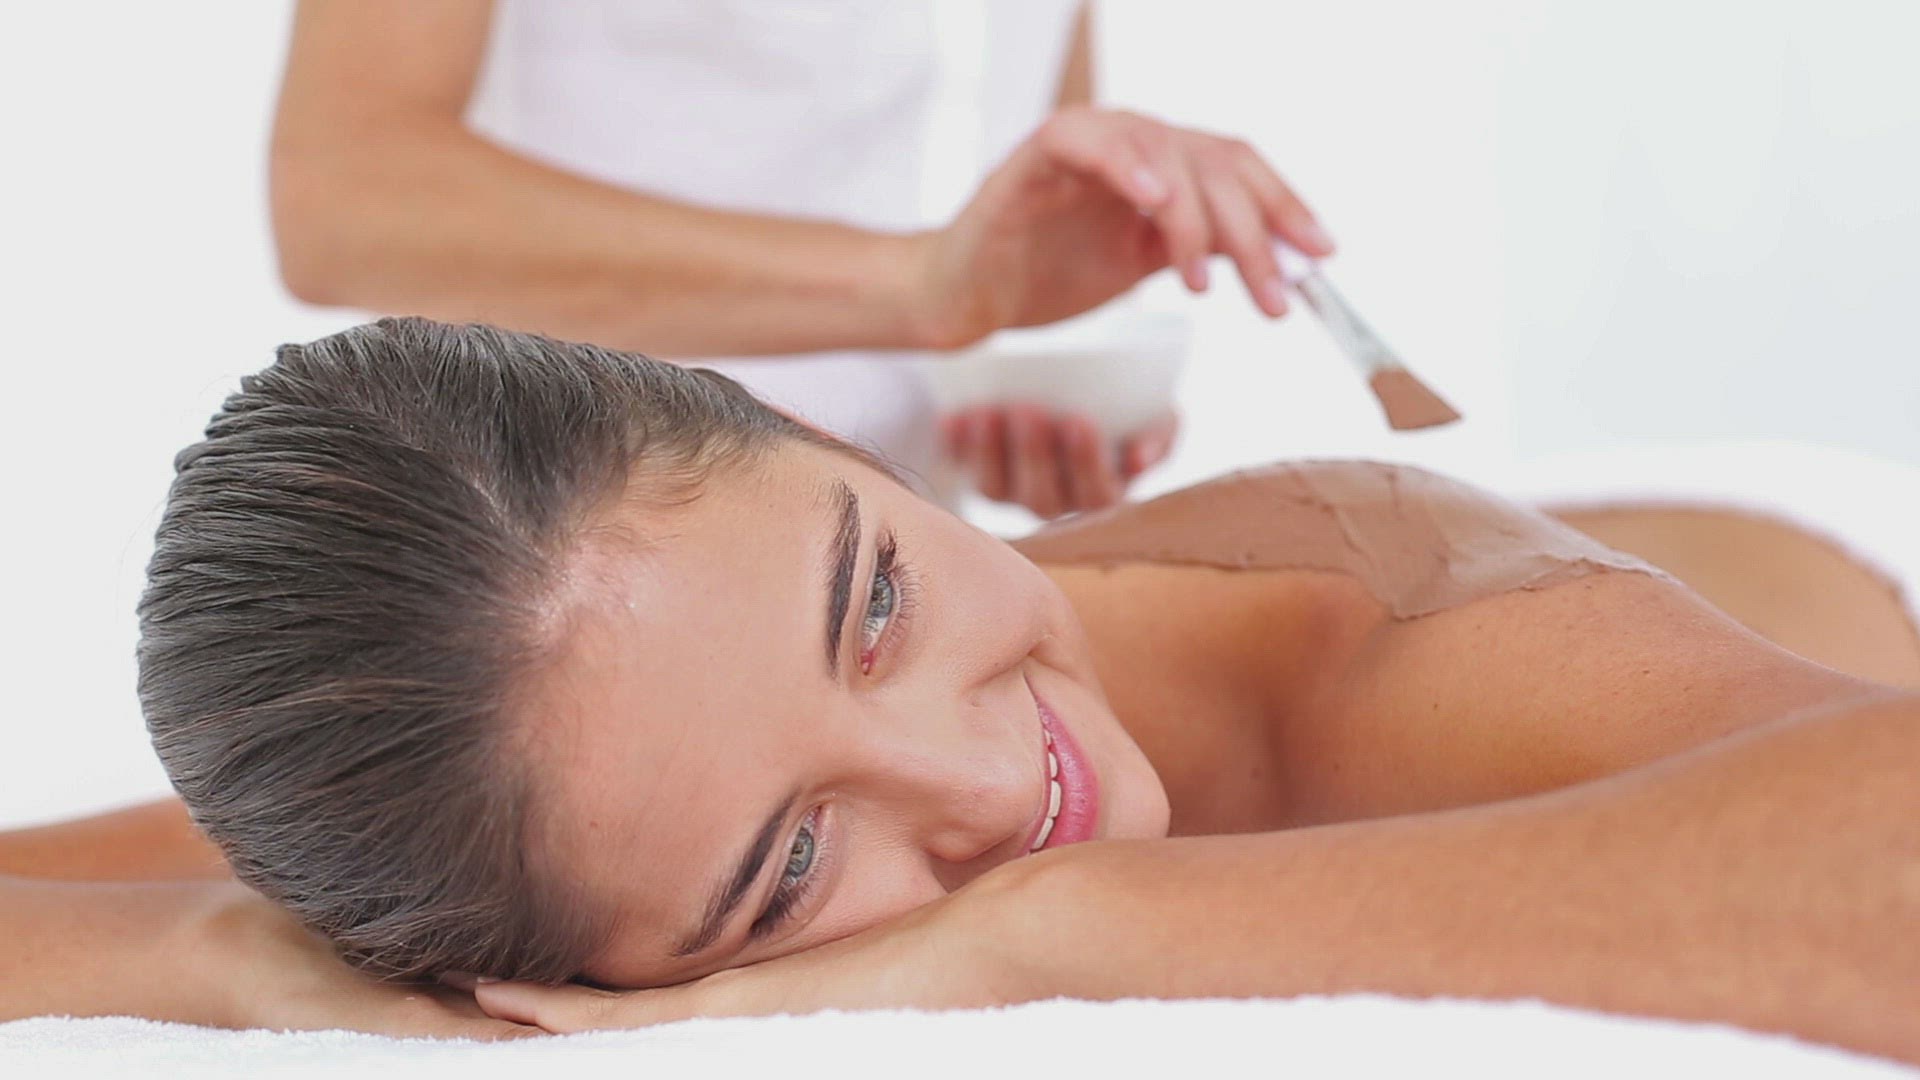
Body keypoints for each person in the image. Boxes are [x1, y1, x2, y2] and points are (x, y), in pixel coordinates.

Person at [2, 320, 1915, 1062]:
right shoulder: (567, 738)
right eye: (788, 863)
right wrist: (228, 958)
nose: (988, 790)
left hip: (1815, 550)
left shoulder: (1404, 660)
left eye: (879, 604)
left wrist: (1059, 928)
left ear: (839, 445)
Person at [269, 0, 1336, 519]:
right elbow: (347, 197)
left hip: (912, 579)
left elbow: (995, 216)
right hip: (567, 553)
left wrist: (1043, 392)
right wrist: (920, 291)